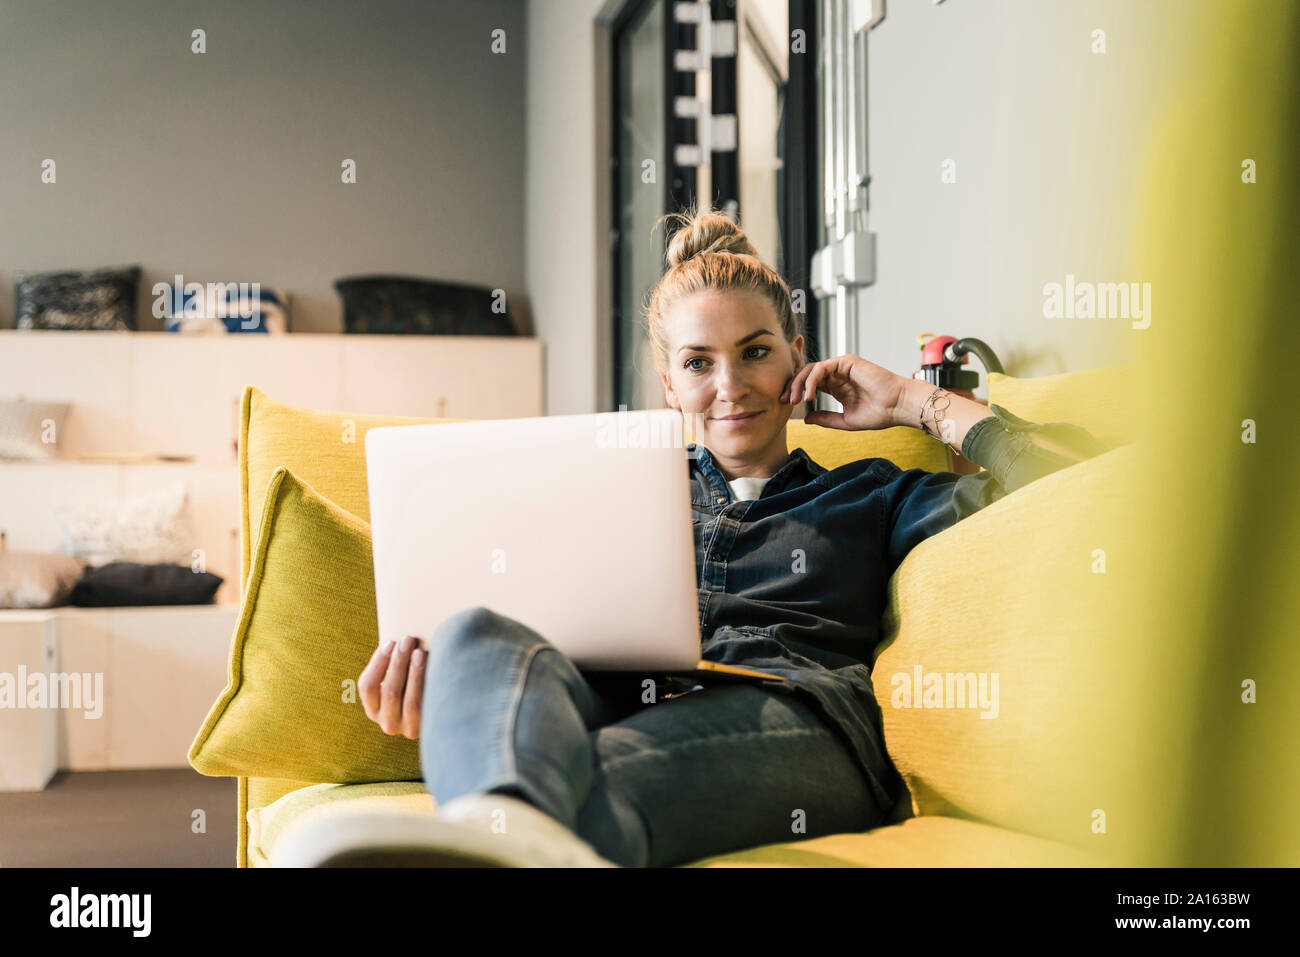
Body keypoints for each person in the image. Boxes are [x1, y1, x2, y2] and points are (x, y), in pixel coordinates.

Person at [343, 204, 1108, 869]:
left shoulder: (871, 493)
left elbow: (1076, 483)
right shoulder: (609, 486)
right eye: (698, 363)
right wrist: (458, 704)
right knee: (474, 632)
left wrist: (914, 401)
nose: (731, 385)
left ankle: (497, 829)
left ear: (796, 357)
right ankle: (498, 824)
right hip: (621, 702)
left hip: (798, 717)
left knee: (587, 783)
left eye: (755, 351)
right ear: (669, 384)